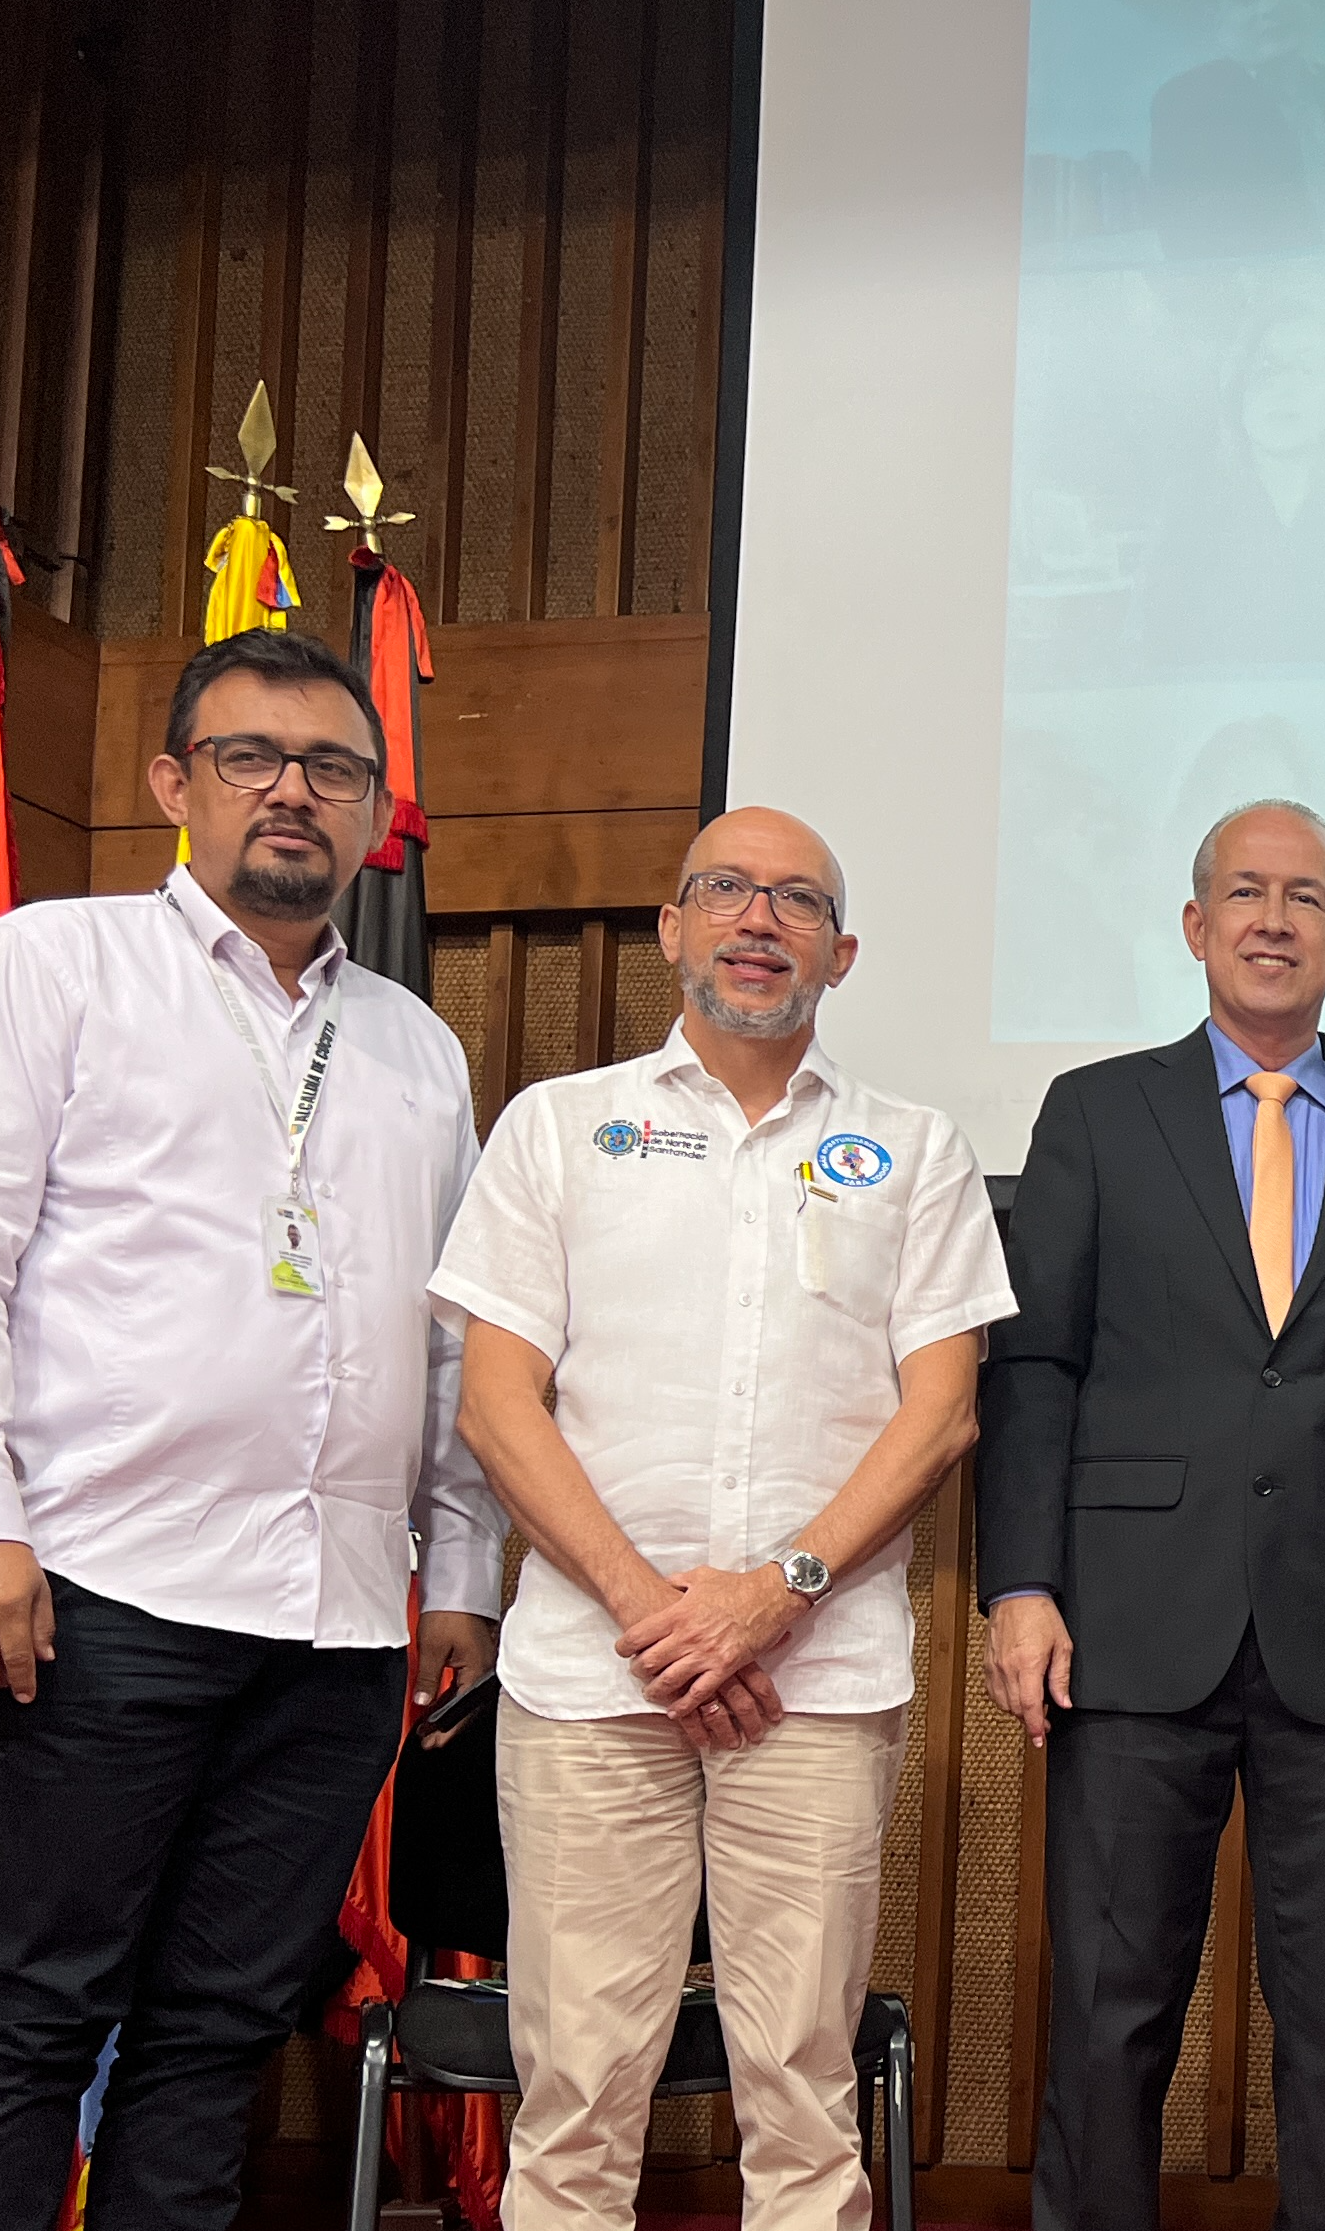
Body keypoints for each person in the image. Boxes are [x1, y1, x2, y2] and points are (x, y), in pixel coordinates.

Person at [0, 629, 500, 2231]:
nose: (293, 793)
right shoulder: (46, 966)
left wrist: (459, 1568)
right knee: (33, 2009)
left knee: (217, 2032)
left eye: (334, 769)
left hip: (337, 1622)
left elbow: (444, 1339)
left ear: (372, 814)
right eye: (249, 758)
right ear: (173, 783)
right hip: (97, 1589)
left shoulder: (418, 1051)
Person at [432, 809, 1017, 2231]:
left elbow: (938, 1411)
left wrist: (774, 1593)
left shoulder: (915, 1148)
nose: (761, 919)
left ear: (843, 948)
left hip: (811, 1681)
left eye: (799, 900)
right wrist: (656, 1606)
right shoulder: (557, 1127)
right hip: (589, 1679)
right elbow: (498, 1402)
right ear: (670, 928)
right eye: (726, 891)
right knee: (572, 2092)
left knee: (804, 2094)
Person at [980, 799, 1325, 2231]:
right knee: (1108, 2003)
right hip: (1127, 1622)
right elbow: (1036, 1362)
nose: (1272, 918)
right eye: (1243, 892)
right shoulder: (1095, 1110)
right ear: (1195, 925)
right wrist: (1019, 1582)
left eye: (1304, 896)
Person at [1128, 301, 1325, 670]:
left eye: (1307, 368)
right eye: (1267, 368)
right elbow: (1145, 646)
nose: (1286, 387)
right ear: (1238, 390)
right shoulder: (1190, 500)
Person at [1147, 0, 1325, 260]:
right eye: (1246, 3)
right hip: (1266, 285)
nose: (1269, 8)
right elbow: (1185, 235)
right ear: (1215, 14)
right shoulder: (1187, 101)